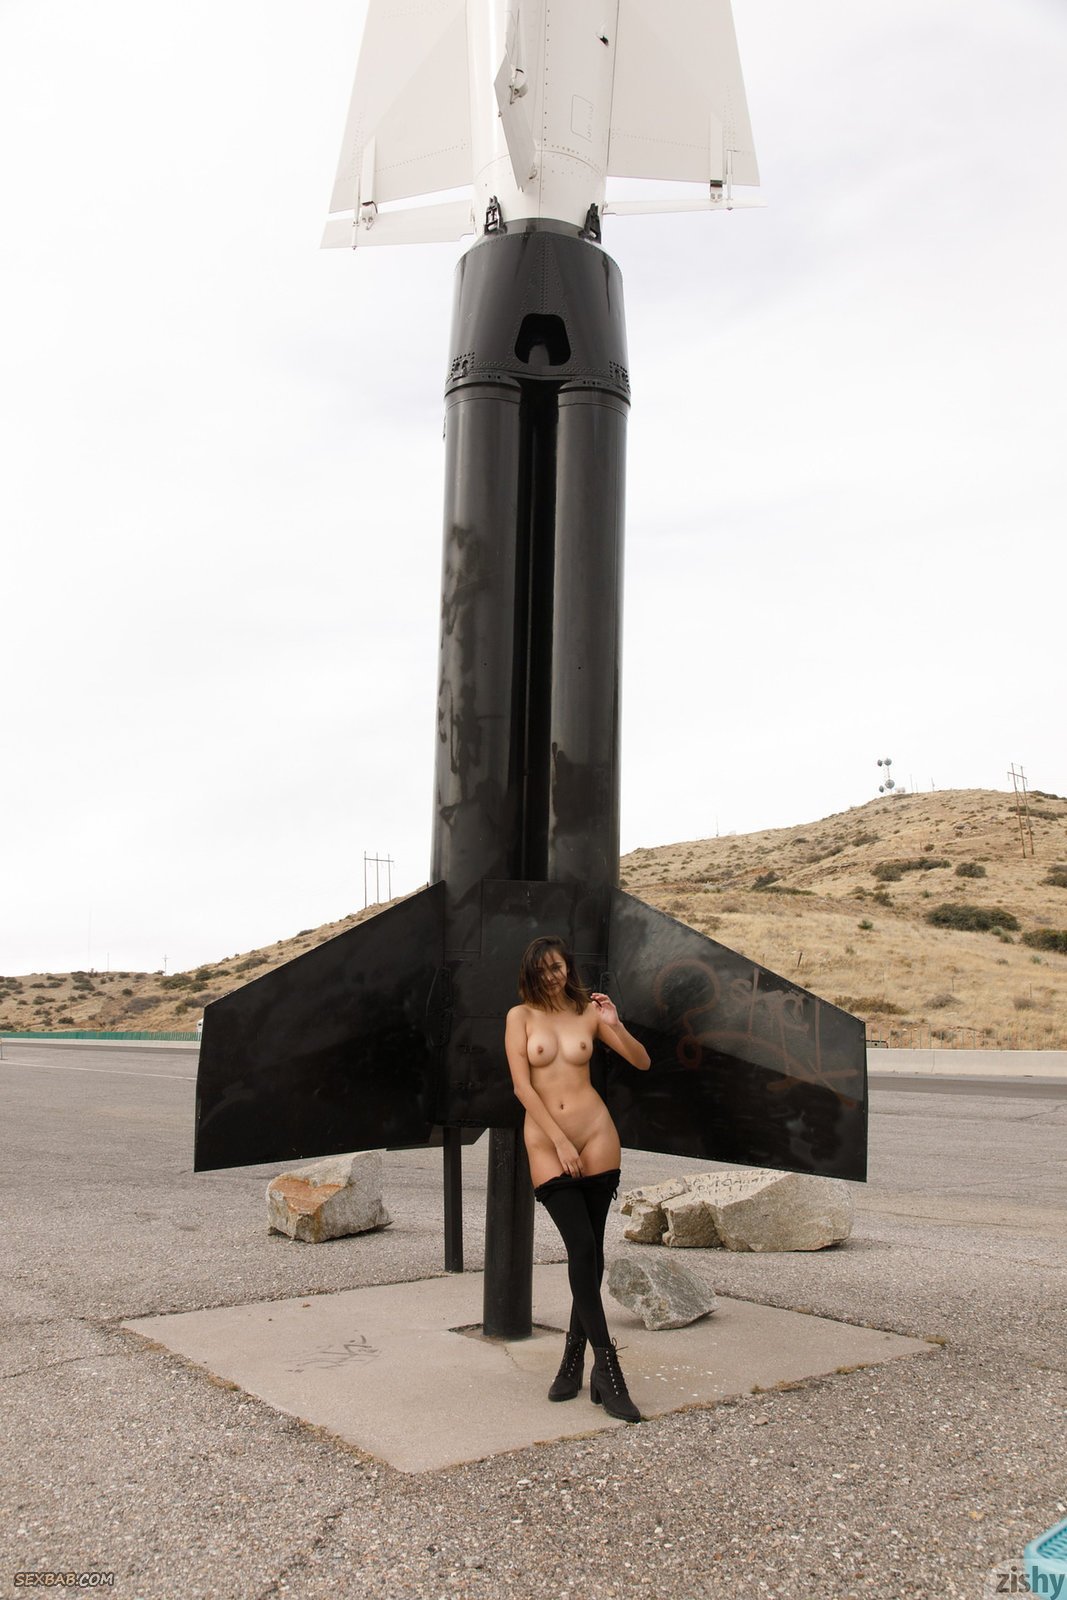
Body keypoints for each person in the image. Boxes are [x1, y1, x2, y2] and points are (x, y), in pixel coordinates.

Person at [504, 936, 651, 1423]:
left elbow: (641, 1061)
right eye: (544, 970)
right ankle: (607, 1367)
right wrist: (561, 1142)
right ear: (531, 974)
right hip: (549, 1142)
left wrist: (615, 1024)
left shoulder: (589, 1012)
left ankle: (573, 1362)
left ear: (569, 967)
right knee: (582, 1247)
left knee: (593, 1252)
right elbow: (522, 1087)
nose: (553, 976)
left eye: (559, 967)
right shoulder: (520, 1017)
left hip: (597, 1134)